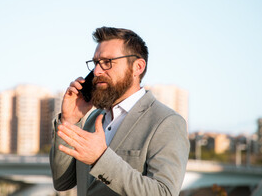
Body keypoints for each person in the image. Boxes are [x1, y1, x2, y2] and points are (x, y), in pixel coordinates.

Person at [49, 27, 189, 196]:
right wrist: (69, 121)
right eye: (95, 63)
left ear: (137, 67)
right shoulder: (94, 119)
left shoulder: (166, 122)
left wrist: (101, 158)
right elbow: (62, 182)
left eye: (107, 62)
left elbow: (163, 192)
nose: (97, 71)